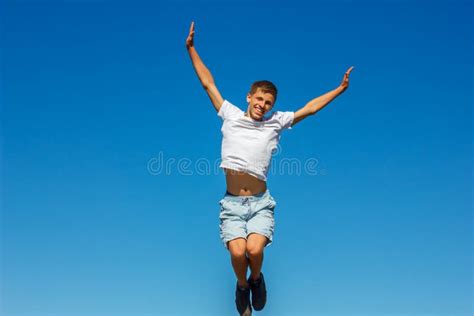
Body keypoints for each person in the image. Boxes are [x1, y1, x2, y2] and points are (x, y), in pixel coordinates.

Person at [185, 21, 353, 316]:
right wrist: (191, 49)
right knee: (237, 252)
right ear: (249, 97)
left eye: (269, 102)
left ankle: (256, 279)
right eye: (259, 99)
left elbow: (310, 108)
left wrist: (339, 89)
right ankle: (242, 287)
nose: (263, 105)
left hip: (261, 203)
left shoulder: (277, 122)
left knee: (254, 250)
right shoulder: (231, 115)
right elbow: (208, 83)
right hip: (232, 203)